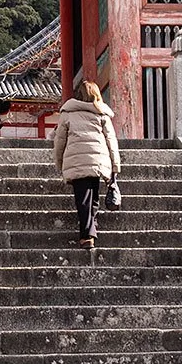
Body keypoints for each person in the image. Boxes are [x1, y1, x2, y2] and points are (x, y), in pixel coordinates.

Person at [52, 79, 120, 249]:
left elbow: (59, 141)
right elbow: (111, 141)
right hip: (98, 161)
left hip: (76, 160)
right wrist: (115, 166)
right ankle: (90, 231)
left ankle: (87, 235)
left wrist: (59, 163)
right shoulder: (101, 113)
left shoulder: (68, 113)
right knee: (94, 198)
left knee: (82, 199)